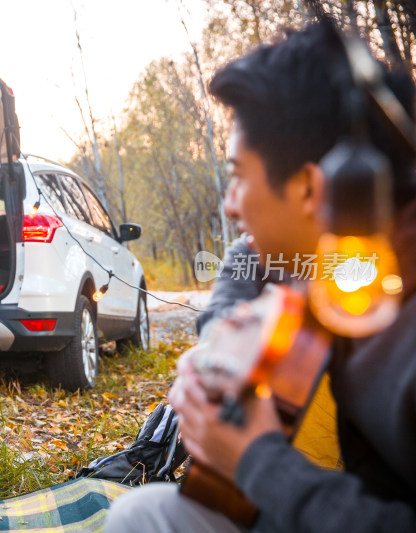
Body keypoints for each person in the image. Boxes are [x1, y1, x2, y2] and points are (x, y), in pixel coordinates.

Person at [105, 22, 416, 533]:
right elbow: (241, 264)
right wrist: (226, 356)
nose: (229, 205)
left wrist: (259, 460)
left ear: (311, 190)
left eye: (239, 176)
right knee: (144, 514)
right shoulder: (353, 260)